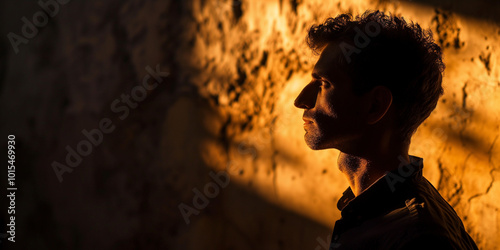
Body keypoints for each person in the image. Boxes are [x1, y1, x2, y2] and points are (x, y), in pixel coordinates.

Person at [294, 10, 478, 249]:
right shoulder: (372, 209)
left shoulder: (418, 239)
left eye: (324, 84)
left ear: (375, 105)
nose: (300, 100)